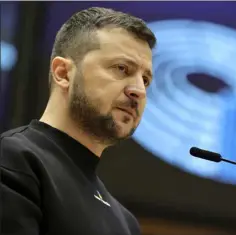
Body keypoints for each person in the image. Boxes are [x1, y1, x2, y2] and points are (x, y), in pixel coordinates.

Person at [0, 7, 156, 235]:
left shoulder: (127, 223)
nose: (138, 91)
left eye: (145, 80)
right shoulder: (14, 160)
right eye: (122, 68)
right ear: (63, 73)